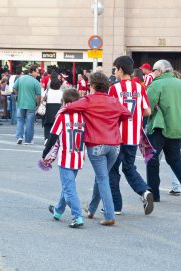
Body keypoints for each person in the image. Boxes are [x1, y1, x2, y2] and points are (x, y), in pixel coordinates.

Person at [60, 72, 131, 226]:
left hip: (96, 144)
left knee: (102, 178)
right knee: (102, 177)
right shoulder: (113, 101)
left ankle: (109, 215)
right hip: (115, 145)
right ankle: (92, 209)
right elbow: (127, 114)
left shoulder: (88, 100)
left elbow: (68, 107)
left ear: (92, 85)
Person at [146, 59, 181, 205]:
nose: (153, 74)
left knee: (152, 160)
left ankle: (154, 194)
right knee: (175, 160)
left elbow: (147, 106)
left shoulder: (156, 84)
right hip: (177, 127)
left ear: (160, 71)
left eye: (154, 71)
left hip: (159, 127)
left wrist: (155, 107)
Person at [108, 56, 153, 215]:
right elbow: (148, 111)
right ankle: (144, 191)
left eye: (115, 69)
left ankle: (116, 206)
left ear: (120, 69)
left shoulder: (114, 88)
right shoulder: (140, 88)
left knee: (113, 170)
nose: (115, 73)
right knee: (129, 167)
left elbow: (110, 112)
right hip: (133, 136)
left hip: (117, 137)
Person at [42, 88, 85, 228]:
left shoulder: (62, 116)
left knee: (69, 189)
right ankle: (58, 211)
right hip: (78, 157)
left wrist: (45, 154)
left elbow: (53, 137)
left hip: (66, 158)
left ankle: (77, 216)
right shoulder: (83, 117)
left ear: (65, 102)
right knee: (68, 186)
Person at [13, 64, 41, 145]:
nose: (38, 74)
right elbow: (38, 95)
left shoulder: (20, 78)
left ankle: (19, 137)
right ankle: (28, 140)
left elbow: (14, 88)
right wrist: (38, 105)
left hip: (20, 103)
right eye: (37, 72)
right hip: (31, 104)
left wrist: (19, 94)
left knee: (20, 120)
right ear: (32, 71)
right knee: (29, 122)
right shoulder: (35, 82)